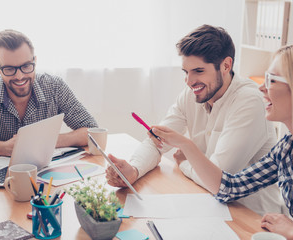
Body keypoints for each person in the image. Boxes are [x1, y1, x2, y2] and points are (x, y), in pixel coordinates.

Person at [150, 44, 293, 239]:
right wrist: (186, 145)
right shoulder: (287, 148)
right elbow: (229, 188)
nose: (262, 87)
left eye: (272, 80)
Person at [106, 24, 283, 215]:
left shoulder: (249, 101)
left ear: (226, 65)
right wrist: (133, 170)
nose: (189, 82)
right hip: (211, 206)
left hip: (253, 217)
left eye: (198, 71)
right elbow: (156, 141)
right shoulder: (193, 94)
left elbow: (218, 179)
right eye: (186, 72)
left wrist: (184, 163)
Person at [0, 29, 98, 156]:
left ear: (34, 61)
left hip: (44, 170)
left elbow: (92, 131)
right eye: (9, 69)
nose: (20, 76)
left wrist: (44, 141)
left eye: (26, 66)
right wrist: (3, 148)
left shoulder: (54, 87)